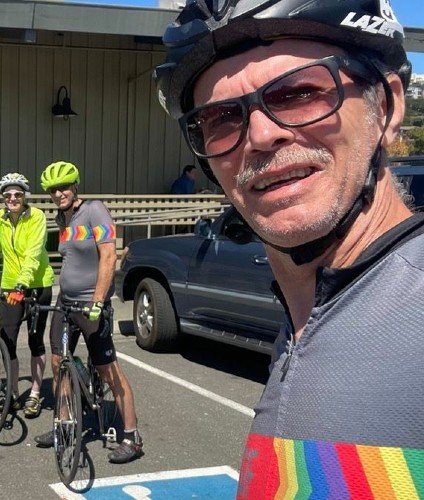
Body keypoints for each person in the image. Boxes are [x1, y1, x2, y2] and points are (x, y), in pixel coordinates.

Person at [155, 0, 423, 496]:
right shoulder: (313, 320)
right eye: (220, 119)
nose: (260, 134)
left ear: (386, 106)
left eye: (299, 92)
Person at [33, 161, 144, 464]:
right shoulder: (60, 219)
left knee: (108, 370)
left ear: (75, 186)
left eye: (64, 187)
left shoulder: (95, 210)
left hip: (91, 306)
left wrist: (98, 300)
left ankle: (132, 437)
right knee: (58, 363)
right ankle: (65, 425)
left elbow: (108, 255)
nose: (59, 193)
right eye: (53, 190)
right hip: (65, 303)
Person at [0, 173, 53, 418]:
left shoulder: (36, 216)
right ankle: (14, 393)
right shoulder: (0, 217)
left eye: (17, 194)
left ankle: (35, 394)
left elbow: (34, 253)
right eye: (8, 195)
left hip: (37, 284)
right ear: (3, 198)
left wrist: (22, 284)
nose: (13, 198)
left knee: (35, 340)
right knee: (8, 341)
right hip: (10, 286)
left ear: (25, 195)